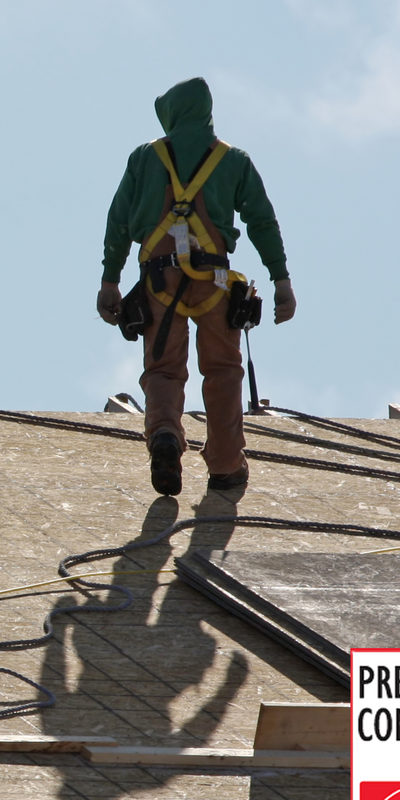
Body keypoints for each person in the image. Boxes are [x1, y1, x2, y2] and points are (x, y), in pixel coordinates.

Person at [96, 78, 296, 496]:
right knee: (222, 371)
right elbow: (262, 220)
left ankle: (165, 433)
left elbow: (118, 220)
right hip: (215, 283)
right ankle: (225, 465)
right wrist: (281, 280)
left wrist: (110, 281)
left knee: (164, 369)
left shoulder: (145, 158)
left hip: (159, 280)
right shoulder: (233, 161)